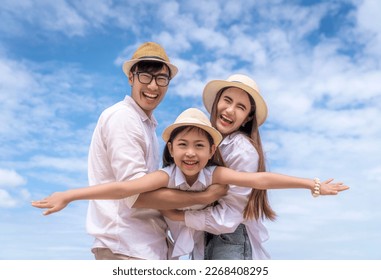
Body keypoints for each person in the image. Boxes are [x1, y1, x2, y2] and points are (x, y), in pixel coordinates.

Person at [32, 108, 349, 260]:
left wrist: (313, 184)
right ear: (170, 149)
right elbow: (123, 189)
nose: (190, 153)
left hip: (221, 237)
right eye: (182, 144)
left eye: (200, 146)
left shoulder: (215, 174)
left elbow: (260, 179)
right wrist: (70, 195)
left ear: (212, 151)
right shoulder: (164, 177)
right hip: (191, 242)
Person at [161, 74, 339, 260]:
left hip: (229, 239)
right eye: (227, 100)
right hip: (208, 238)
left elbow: (232, 213)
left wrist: (181, 216)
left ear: (247, 118)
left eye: (241, 107)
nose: (230, 110)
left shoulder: (241, 149)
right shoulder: (202, 146)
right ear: (216, 102)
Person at [82, 42, 227, 260]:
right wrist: (205, 196)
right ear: (131, 77)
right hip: (127, 247)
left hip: (143, 247)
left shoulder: (146, 124)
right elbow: (136, 195)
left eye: (161, 79)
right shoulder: (124, 118)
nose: (153, 86)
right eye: (145, 76)